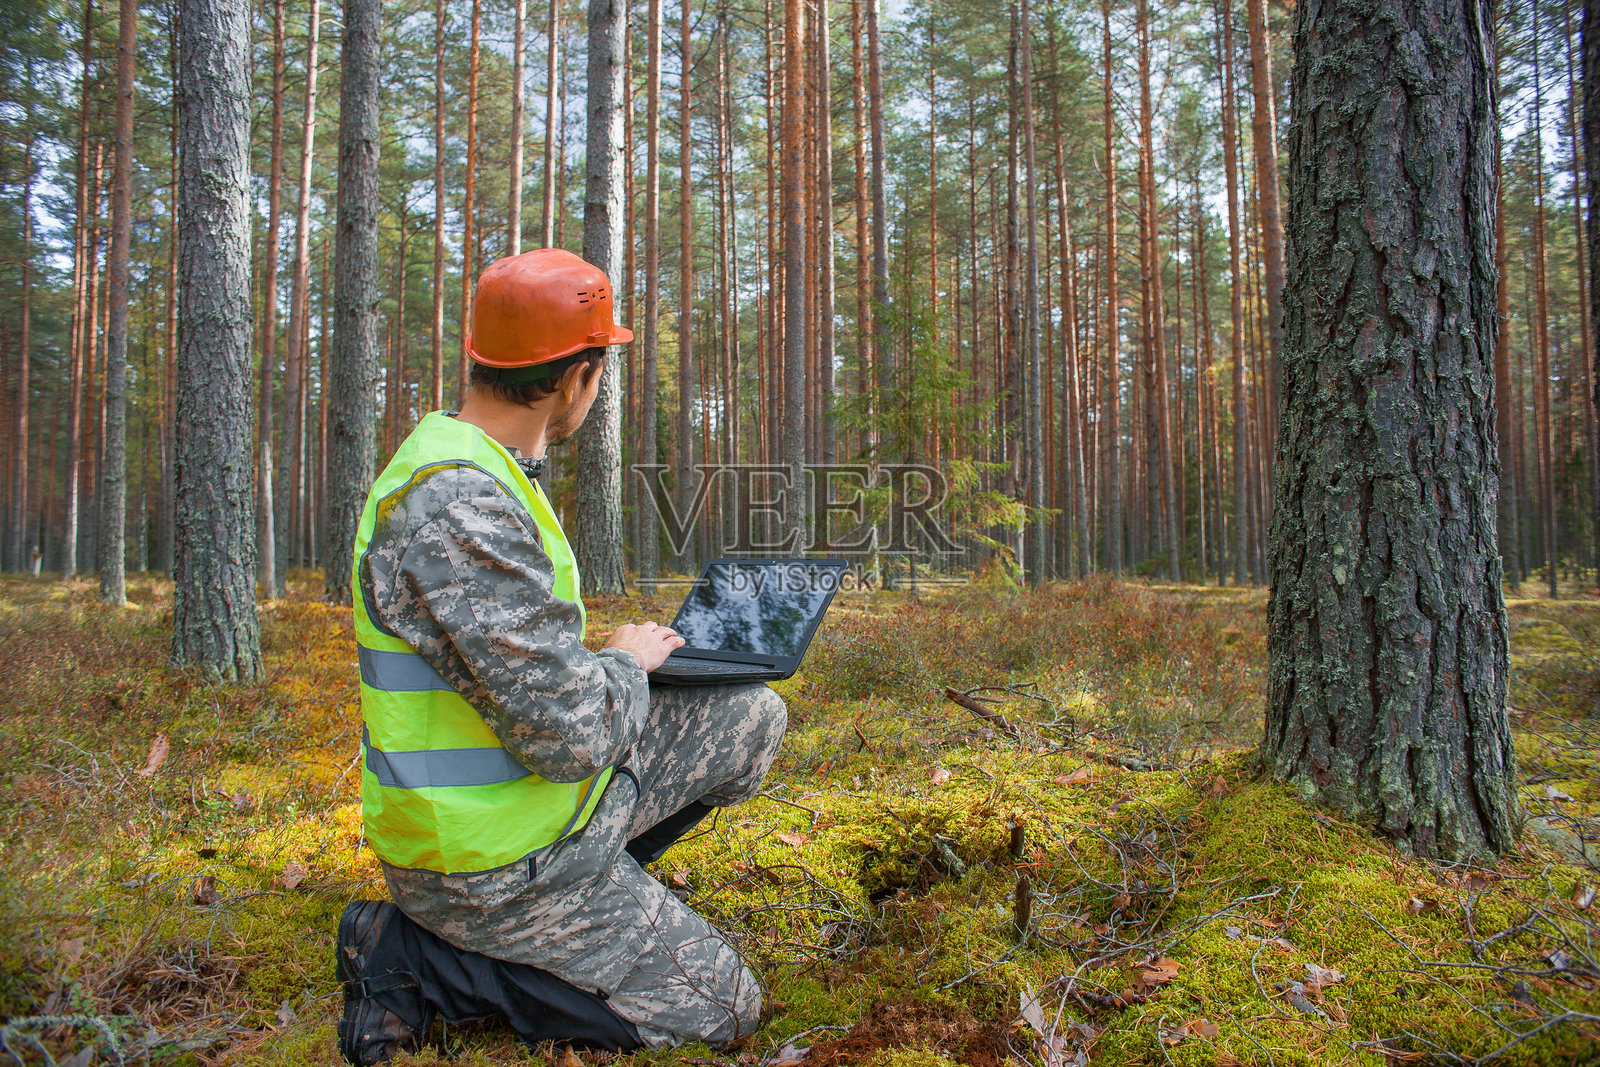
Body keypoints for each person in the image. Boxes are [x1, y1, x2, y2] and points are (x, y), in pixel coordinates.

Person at [335, 248, 788, 1063]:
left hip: (538, 815)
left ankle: (597, 890)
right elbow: (571, 736)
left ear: (481, 357)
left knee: (751, 715)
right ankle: (418, 959)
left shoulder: (483, 467)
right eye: (601, 367)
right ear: (580, 375)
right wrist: (622, 661)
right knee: (720, 1005)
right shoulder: (460, 506)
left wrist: (623, 663)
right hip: (483, 869)